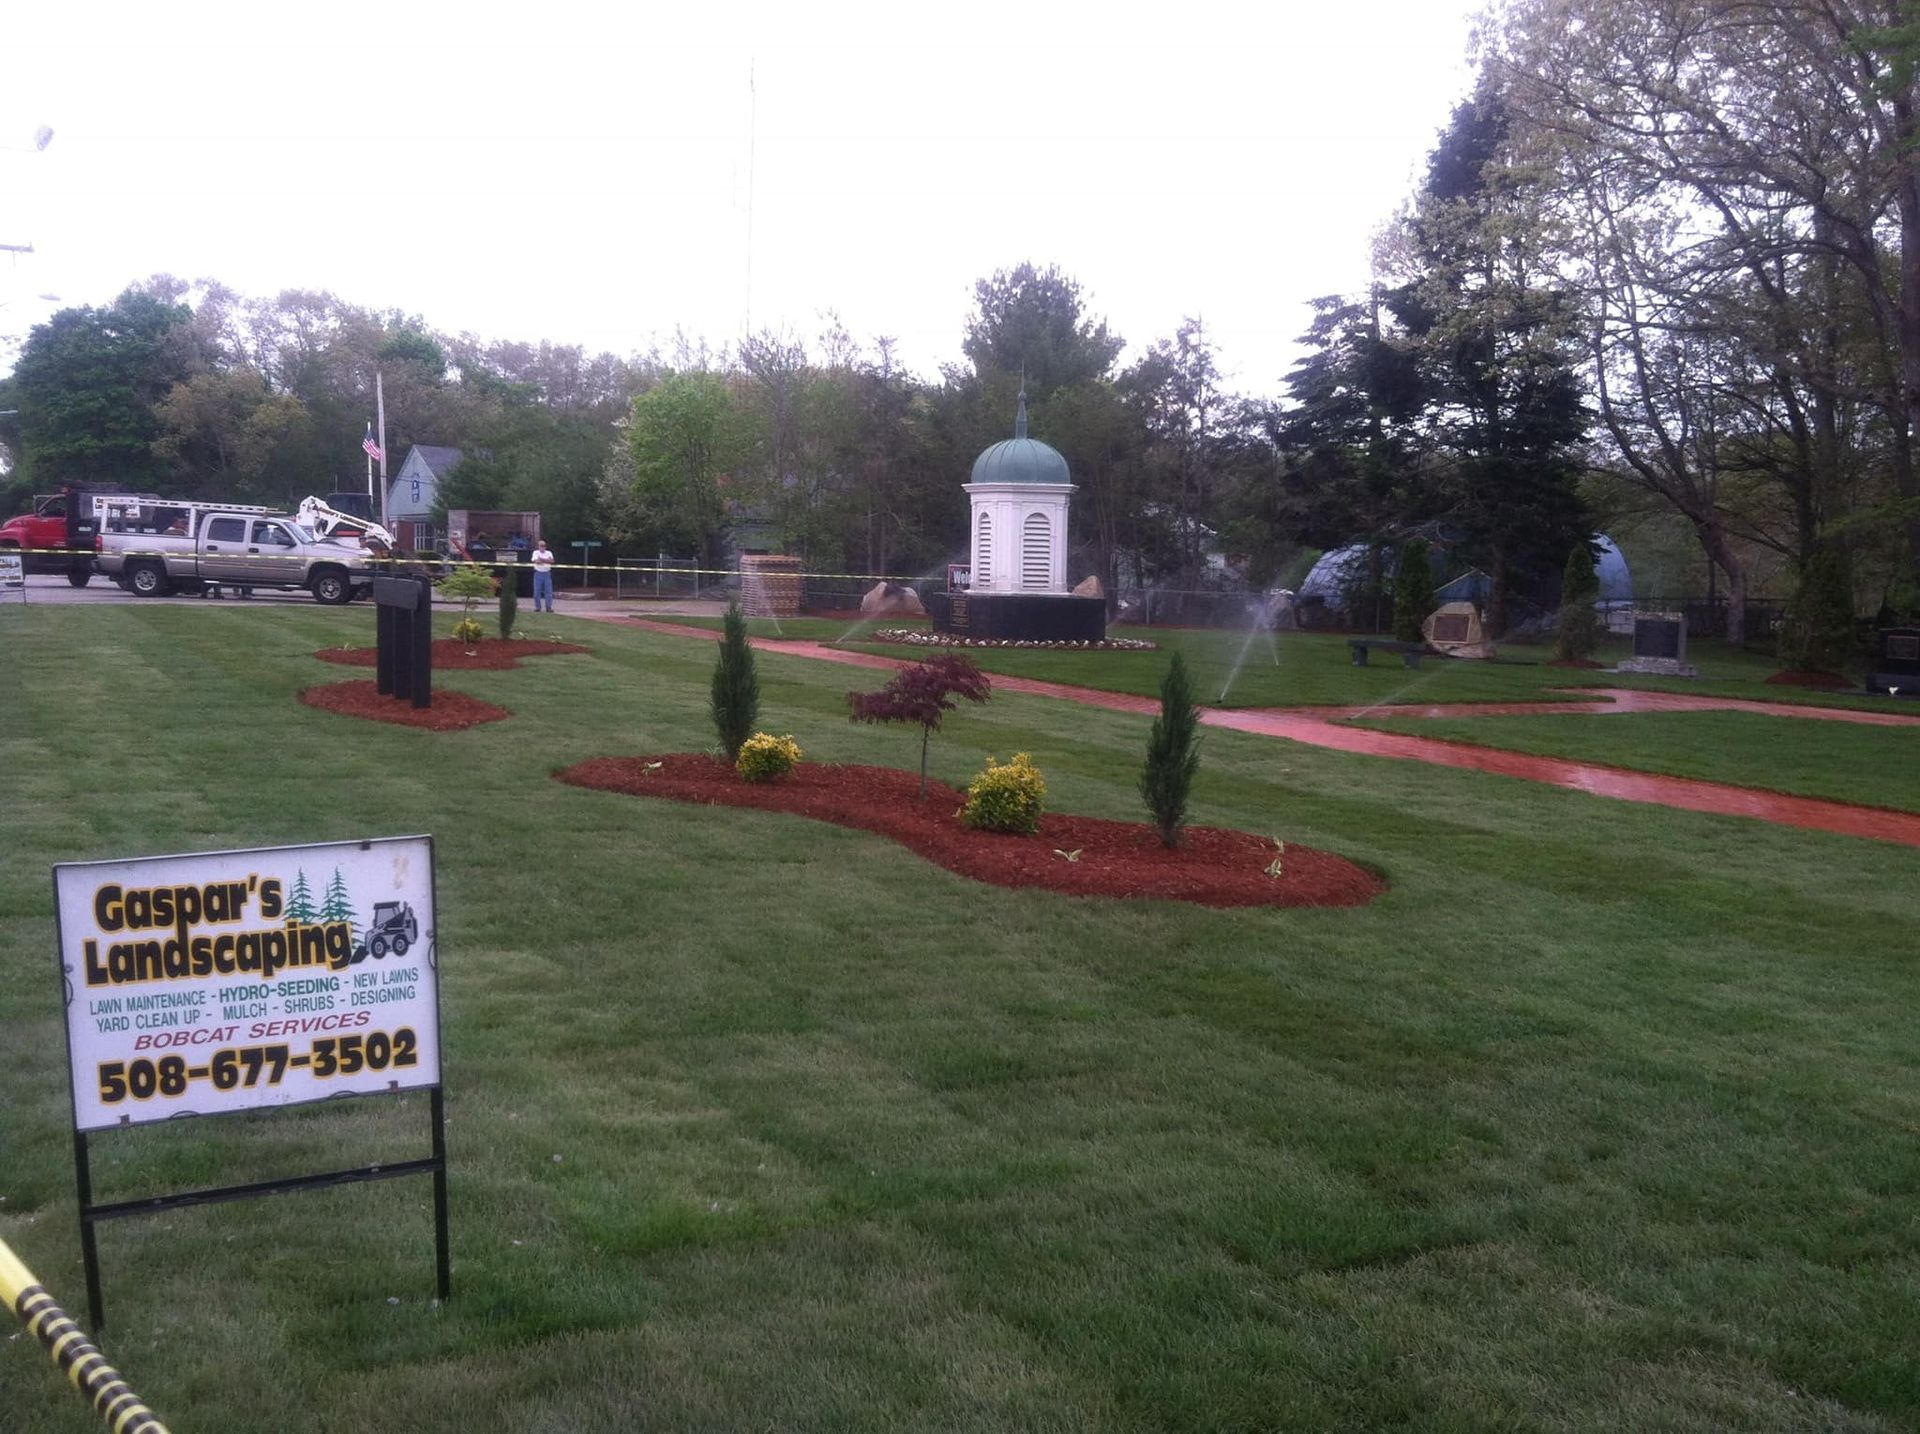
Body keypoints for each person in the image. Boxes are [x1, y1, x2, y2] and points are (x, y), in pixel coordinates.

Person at [532, 539, 555, 612]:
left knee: (548, 592)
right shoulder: (535, 552)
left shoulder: (549, 553)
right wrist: (546, 560)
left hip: (547, 573)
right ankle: (538, 607)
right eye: (541, 546)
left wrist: (541, 559)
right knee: (537, 592)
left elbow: (552, 561)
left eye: (544, 546)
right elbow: (536, 561)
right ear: (538, 546)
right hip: (538, 573)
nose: (543, 547)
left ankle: (548, 607)